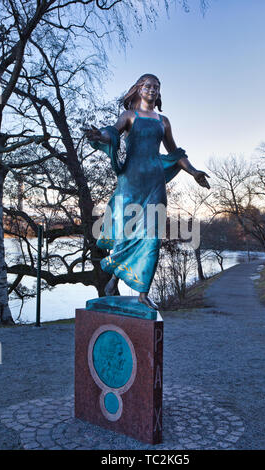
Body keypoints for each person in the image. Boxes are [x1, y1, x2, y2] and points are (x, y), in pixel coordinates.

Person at [84, 73, 210, 310]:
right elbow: (112, 132)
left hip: (155, 183)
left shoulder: (163, 121)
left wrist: (194, 172)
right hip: (130, 182)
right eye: (148, 86)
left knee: (152, 238)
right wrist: (100, 135)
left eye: (157, 87)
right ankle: (113, 280)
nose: (153, 90)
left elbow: (176, 153)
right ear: (139, 89)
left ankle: (143, 293)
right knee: (127, 234)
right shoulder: (129, 116)